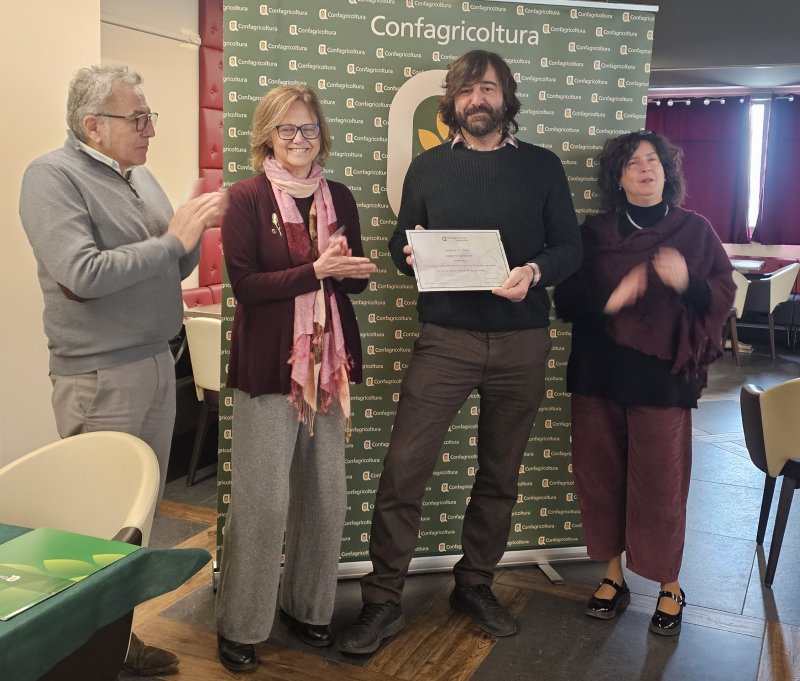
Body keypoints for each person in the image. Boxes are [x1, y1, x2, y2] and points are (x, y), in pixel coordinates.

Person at [339, 50, 582, 655]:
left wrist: (534, 271)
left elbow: (569, 247)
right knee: (403, 471)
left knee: (500, 475)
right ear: (451, 100)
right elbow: (401, 244)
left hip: (522, 341)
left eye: (489, 88)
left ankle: (475, 584)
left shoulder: (542, 166)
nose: (478, 99)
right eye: (468, 90)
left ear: (506, 97)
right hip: (445, 341)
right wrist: (410, 253)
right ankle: (382, 601)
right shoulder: (426, 169)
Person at [19, 64, 227, 676]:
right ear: (93, 126)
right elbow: (82, 274)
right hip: (100, 377)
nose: (149, 130)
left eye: (148, 117)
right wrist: (173, 238)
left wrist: (191, 228)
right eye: (137, 118)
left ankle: (117, 642)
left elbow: (172, 266)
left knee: (136, 520)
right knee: (95, 526)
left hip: (157, 361)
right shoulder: (51, 177)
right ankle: (78, 654)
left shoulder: (139, 176)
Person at [214, 85, 376, 673]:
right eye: (287, 129)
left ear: (321, 134)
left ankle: (307, 607)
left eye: (309, 128)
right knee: (261, 502)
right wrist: (317, 270)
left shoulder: (341, 196)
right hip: (268, 369)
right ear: (268, 136)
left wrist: (349, 271)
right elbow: (246, 287)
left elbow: (352, 283)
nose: (300, 139)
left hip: (328, 369)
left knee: (325, 495)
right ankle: (241, 625)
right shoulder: (246, 198)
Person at [553, 131, 735, 636]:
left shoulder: (694, 230)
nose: (645, 168)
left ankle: (669, 584)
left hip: (663, 378)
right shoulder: (593, 233)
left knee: (661, 483)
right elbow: (566, 301)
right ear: (617, 177)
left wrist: (687, 282)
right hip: (599, 372)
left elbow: (722, 294)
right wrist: (613, 299)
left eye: (653, 160)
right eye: (633, 162)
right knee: (601, 478)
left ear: (667, 171)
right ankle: (613, 575)